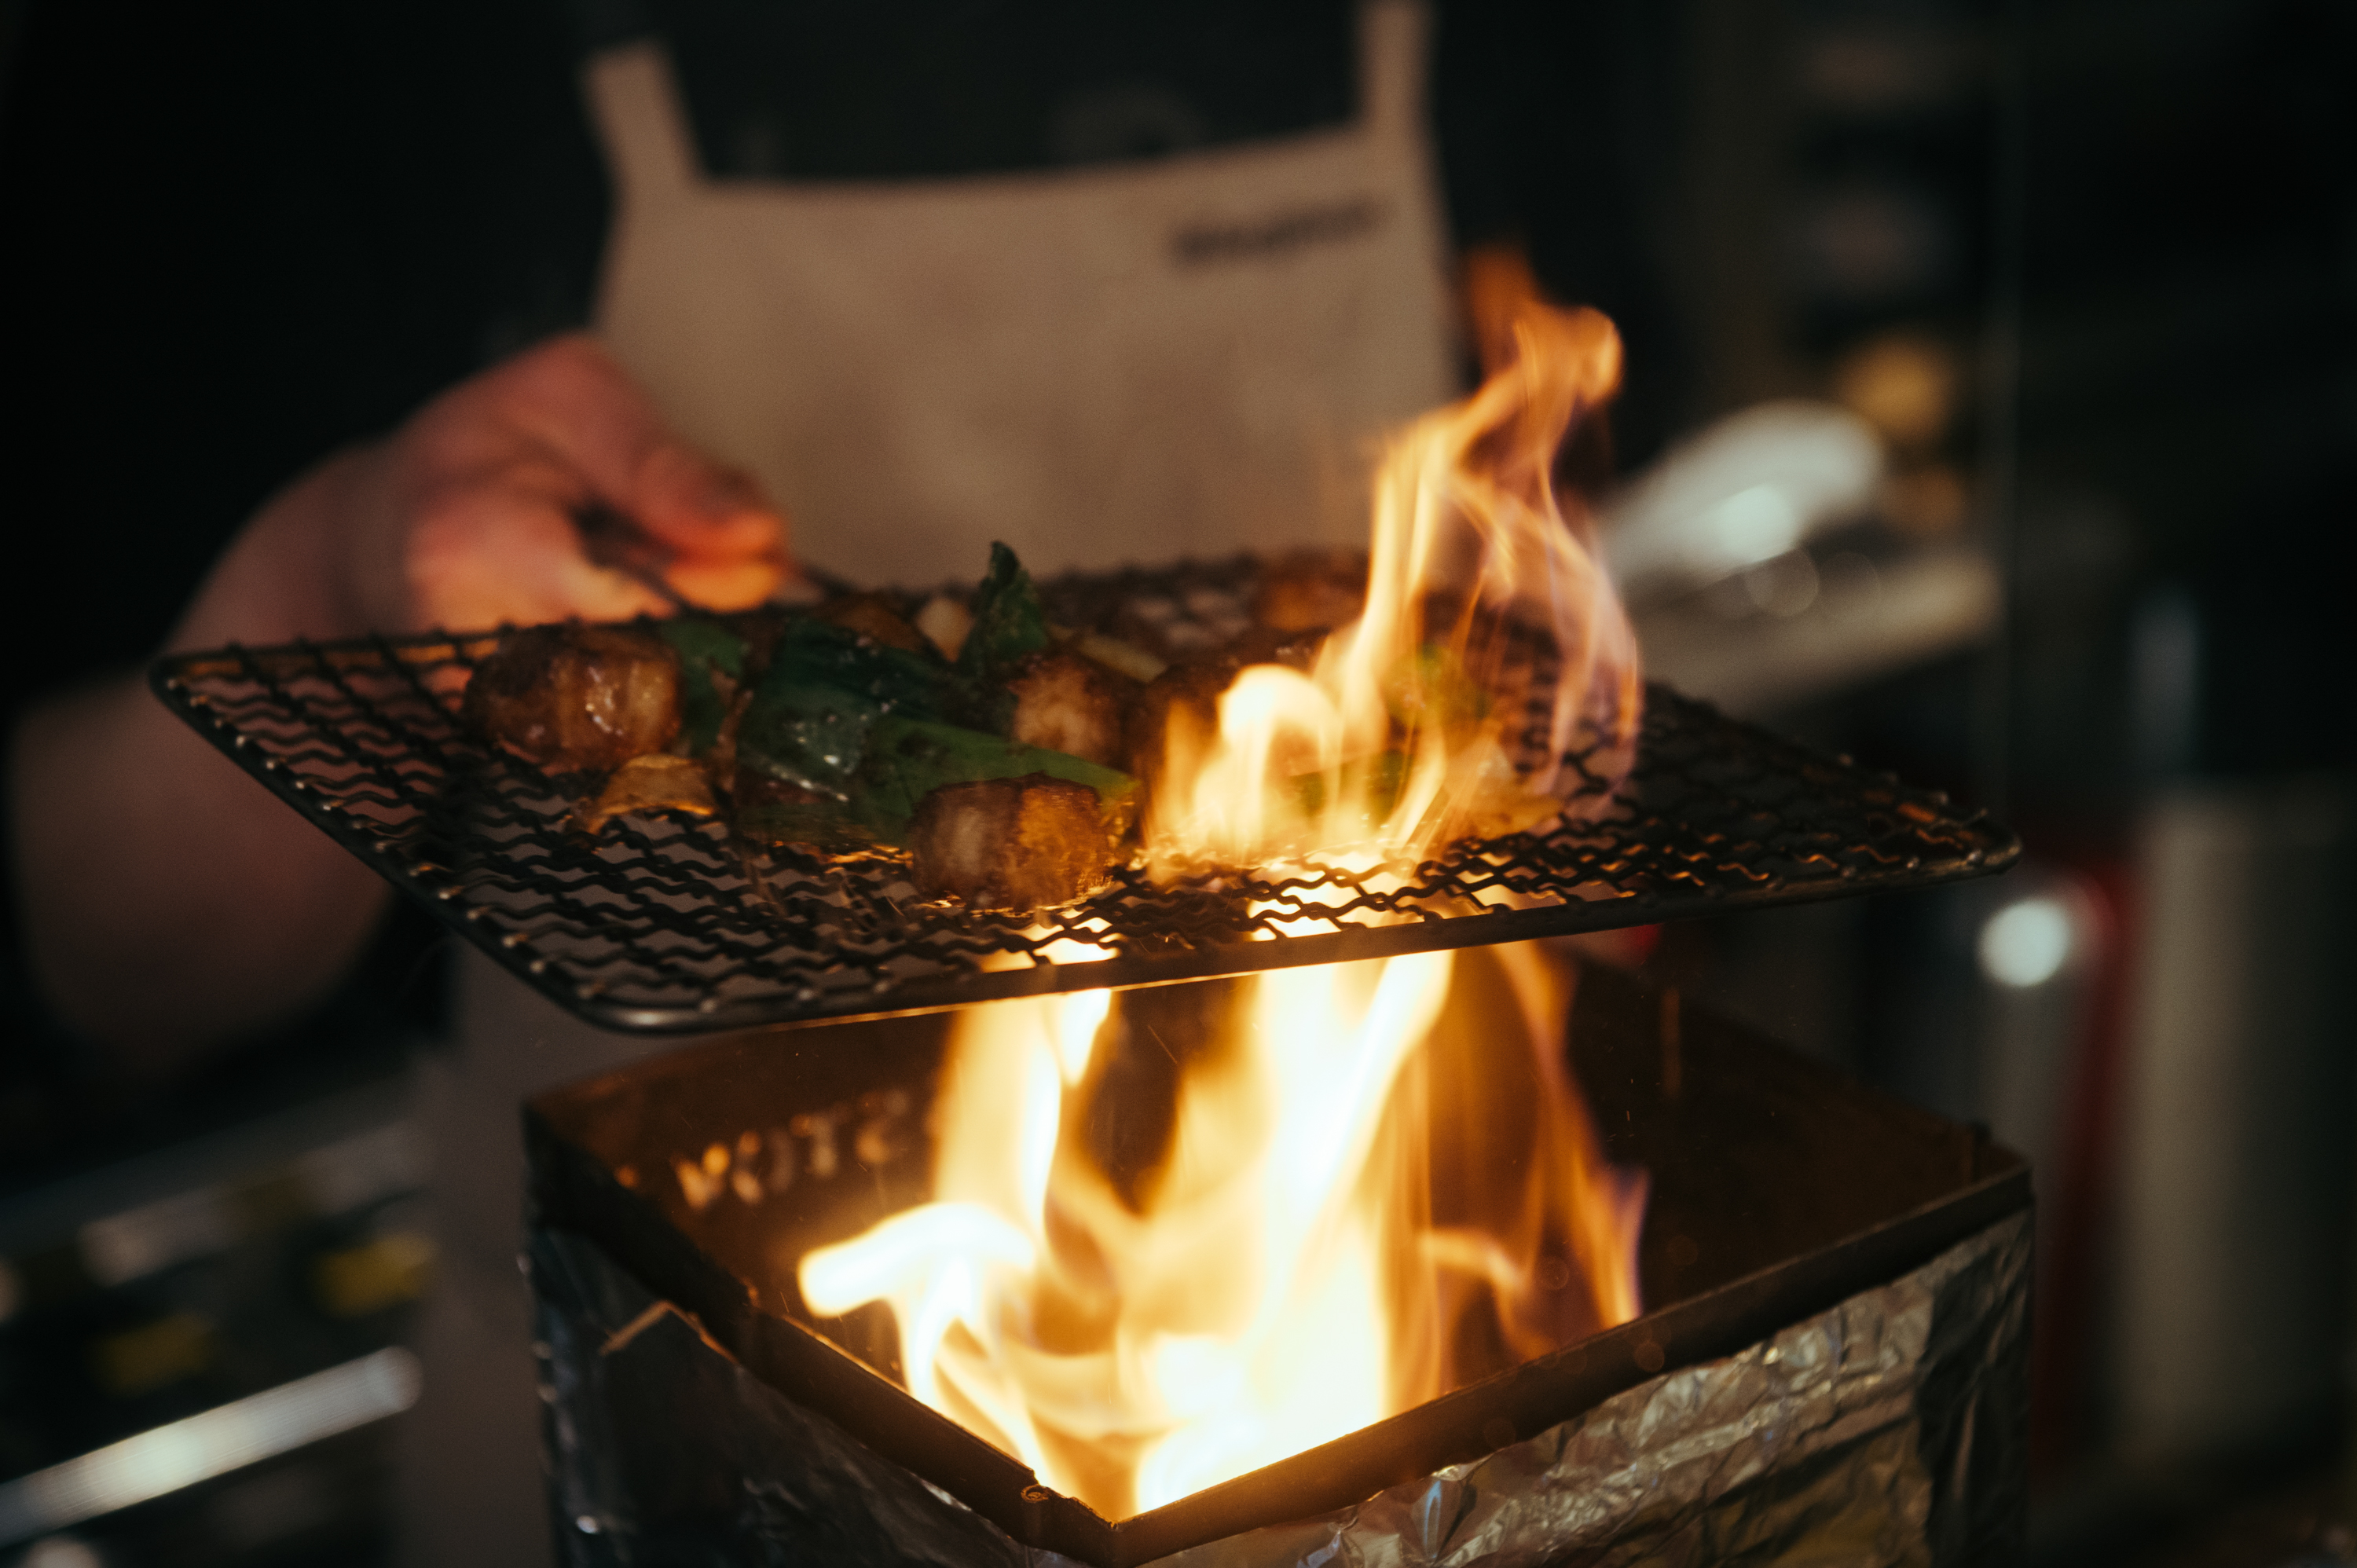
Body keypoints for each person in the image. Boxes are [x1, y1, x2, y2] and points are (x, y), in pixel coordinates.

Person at [3, 2, 1672, 1560]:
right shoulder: (312, 49)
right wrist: (338, 570)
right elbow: (102, 959)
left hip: (1349, 1398)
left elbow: (1562, 541)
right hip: (632, 1470)